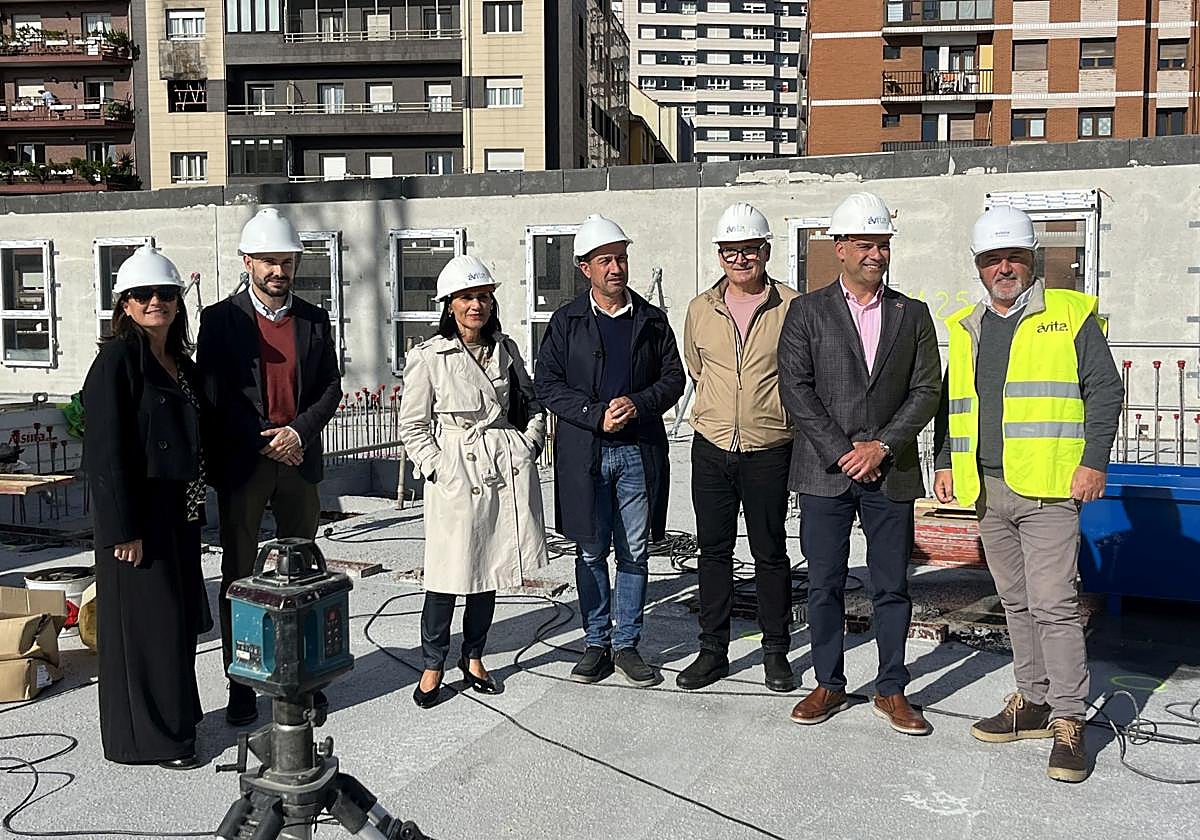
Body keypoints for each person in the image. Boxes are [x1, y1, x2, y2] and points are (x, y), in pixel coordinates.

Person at [933, 205, 1122, 783]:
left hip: (1048, 487)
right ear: (978, 265)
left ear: (1033, 259)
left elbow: (1105, 390)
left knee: (1054, 604)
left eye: (1013, 257)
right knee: (1014, 602)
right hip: (989, 488)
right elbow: (952, 402)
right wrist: (944, 461)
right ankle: (1033, 700)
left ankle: (1069, 718)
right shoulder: (967, 325)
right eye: (992, 259)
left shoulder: (1069, 314)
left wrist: (1093, 461)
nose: (1004, 268)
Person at [779, 192, 941, 734]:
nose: (877, 254)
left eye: (884, 245)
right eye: (866, 244)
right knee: (824, 582)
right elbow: (796, 389)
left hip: (889, 471)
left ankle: (892, 688)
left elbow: (926, 390)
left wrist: (882, 446)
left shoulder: (912, 314)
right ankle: (828, 682)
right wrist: (844, 452)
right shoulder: (807, 311)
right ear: (841, 248)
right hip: (825, 472)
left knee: (891, 585)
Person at [196, 207, 341, 727]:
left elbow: (330, 387)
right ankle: (241, 683)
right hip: (247, 463)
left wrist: (298, 432)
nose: (279, 271)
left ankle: (304, 680)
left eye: (287, 261)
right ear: (247, 262)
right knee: (239, 576)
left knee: (302, 574)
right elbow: (215, 394)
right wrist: (267, 440)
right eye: (268, 262)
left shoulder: (314, 319)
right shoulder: (220, 320)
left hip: (298, 460)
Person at [534, 214, 685, 687]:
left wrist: (638, 404)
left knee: (634, 552)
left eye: (620, 258)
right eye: (605, 261)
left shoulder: (651, 320)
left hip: (637, 451)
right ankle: (596, 643)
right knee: (591, 551)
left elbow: (674, 379)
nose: (616, 268)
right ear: (585, 269)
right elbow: (547, 384)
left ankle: (628, 644)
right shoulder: (566, 322)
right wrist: (593, 414)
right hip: (586, 454)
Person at [398, 255, 549, 708]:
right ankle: (432, 663)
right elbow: (412, 425)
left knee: (488, 569)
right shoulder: (428, 356)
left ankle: (475, 656)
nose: (476, 305)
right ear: (449, 304)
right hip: (456, 471)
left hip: (500, 465)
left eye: (483, 297)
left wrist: (529, 443)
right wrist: (437, 468)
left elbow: (531, 402)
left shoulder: (507, 348)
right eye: (466, 297)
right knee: (445, 574)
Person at [82, 246, 212, 770]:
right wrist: (123, 530)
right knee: (148, 630)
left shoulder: (180, 363)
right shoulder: (116, 361)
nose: (155, 301)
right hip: (138, 518)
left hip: (179, 511)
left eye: (165, 294)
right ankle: (155, 740)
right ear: (125, 305)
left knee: (176, 624)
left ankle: (179, 720)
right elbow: (106, 453)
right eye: (142, 294)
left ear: (178, 302)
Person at [676, 202, 800, 692]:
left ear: (766, 251)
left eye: (749, 249)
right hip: (712, 447)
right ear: (719, 255)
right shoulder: (700, 309)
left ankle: (775, 652)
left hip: (769, 446)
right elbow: (698, 369)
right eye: (731, 251)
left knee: (770, 552)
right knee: (714, 552)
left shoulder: (791, 307)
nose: (740, 259)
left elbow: (801, 373)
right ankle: (713, 651)